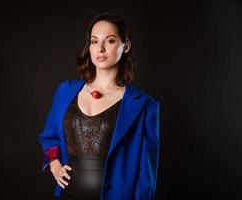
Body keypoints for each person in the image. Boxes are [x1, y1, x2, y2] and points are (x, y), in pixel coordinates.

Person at [38, 12, 160, 200]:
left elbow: (147, 177)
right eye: (94, 41)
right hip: (68, 195)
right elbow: (50, 136)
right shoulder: (65, 91)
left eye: (110, 41)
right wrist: (54, 165)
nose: (100, 48)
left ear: (125, 46)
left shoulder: (144, 105)